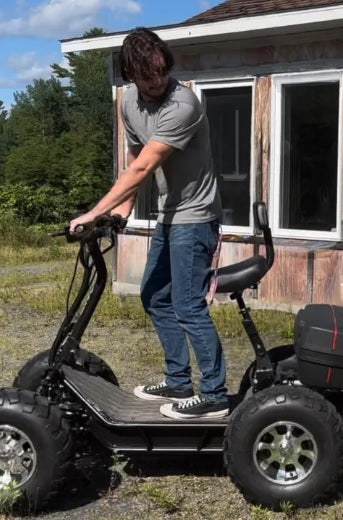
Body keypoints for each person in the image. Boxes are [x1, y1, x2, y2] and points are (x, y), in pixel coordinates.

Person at [68, 27, 228, 420]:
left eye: (162, 72)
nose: (158, 81)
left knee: (188, 306)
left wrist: (93, 212)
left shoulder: (182, 104)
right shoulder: (128, 103)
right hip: (169, 214)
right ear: (131, 74)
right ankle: (178, 381)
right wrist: (121, 210)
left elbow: (144, 167)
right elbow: (135, 159)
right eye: (148, 76)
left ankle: (214, 394)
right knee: (155, 296)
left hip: (196, 216)